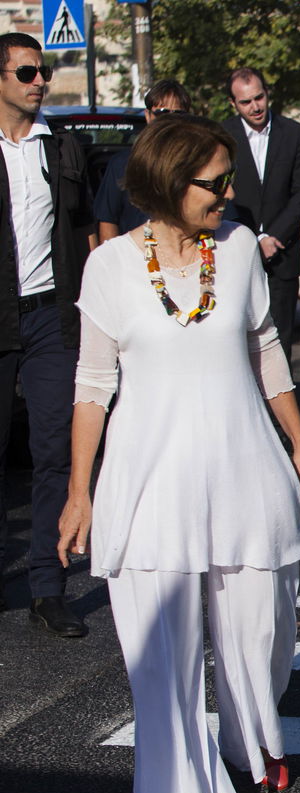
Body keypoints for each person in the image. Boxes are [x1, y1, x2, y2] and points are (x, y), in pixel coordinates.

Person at [57, 115, 300, 793]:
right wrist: (81, 491)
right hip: (149, 479)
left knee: (261, 630)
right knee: (161, 655)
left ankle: (250, 737)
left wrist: (298, 443)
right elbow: (91, 385)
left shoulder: (236, 248)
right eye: (216, 181)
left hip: (242, 467)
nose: (230, 193)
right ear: (170, 182)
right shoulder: (108, 265)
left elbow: (266, 349)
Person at [0, 32, 93, 637]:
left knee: (54, 450)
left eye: (44, 73)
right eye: (28, 73)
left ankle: (46, 587)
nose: (40, 83)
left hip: (50, 318)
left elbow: (82, 229)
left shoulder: (60, 148)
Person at [221, 67, 300, 361]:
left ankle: (279, 408)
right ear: (233, 104)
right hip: (236, 252)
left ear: (267, 94)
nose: (255, 107)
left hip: (282, 254)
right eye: (246, 102)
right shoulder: (223, 135)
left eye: (259, 97)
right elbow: (221, 192)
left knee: (280, 342)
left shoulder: (293, 132)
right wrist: (255, 238)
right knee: (236, 341)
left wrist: (273, 237)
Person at [95, 79, 191, 242]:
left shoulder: (198, 163)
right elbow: (108, 221)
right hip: (137, 260)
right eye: (162, 112)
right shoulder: (122, 164)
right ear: (148, 116)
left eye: (178, 114)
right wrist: (112, 264)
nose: (169, 120)